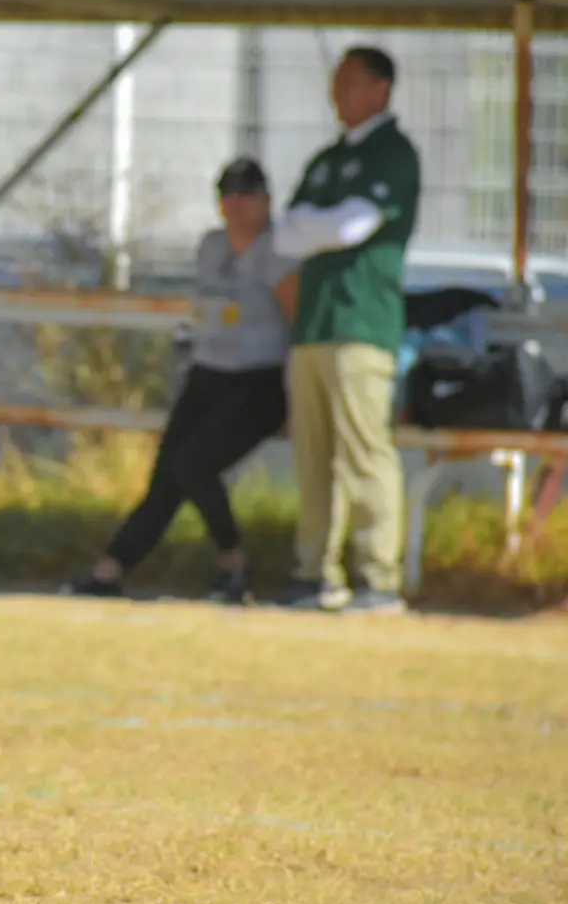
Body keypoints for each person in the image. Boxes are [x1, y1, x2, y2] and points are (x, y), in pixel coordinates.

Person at [64, 158, 297, 603]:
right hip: (209, 372)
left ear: (267, 201)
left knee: (195, 464)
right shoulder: (212, 246)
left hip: (260, 381)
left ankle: (234, 565)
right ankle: (111, 568)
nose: (238, 205)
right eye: (229, 195)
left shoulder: (279, 249)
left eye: (248, 195)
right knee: (167, 475)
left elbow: (297, 320)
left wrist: (295, 396)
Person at [274, 46, 420, 615]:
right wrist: (322, 227)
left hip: (362, 324)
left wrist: (320, 226)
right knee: (313, 454)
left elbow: (356, 224)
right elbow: (287, 235)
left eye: (348, 83)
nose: (337, 94)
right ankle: (315, 572)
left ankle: (378, 576)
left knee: (364, 453)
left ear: (380, 88)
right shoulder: (327, 158)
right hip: (313, 321)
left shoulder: (394, 153)